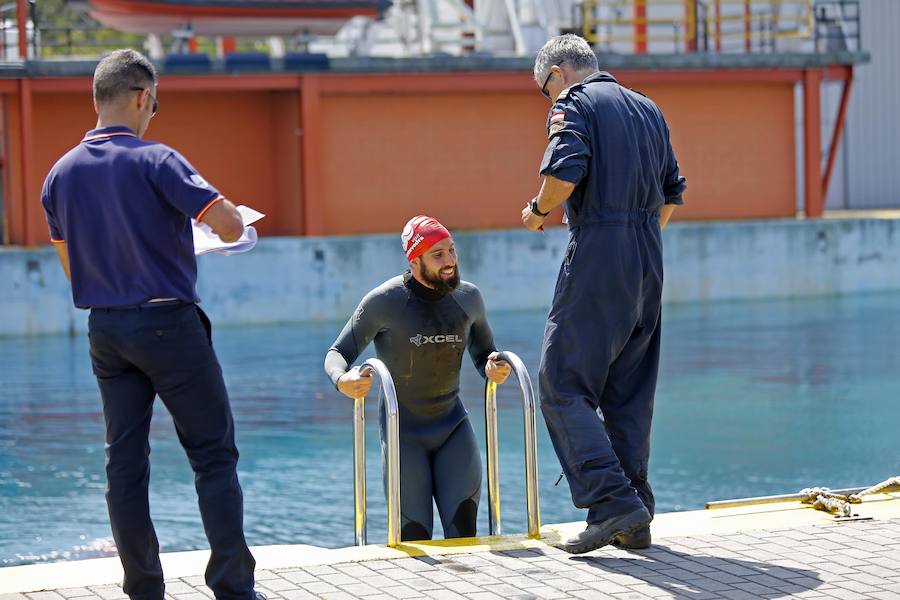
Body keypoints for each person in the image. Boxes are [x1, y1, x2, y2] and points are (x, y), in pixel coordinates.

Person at [40, 49, 262, 600]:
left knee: (125, 462)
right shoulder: (158, 160)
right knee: (212, 456)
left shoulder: (58, 176)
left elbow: (74, 269)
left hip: (106, 331)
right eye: (154, 105)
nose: (152, 115)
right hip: (169, 324)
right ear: (142, 96)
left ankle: (143, 588)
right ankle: (232, 587)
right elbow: (231, 226)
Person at [521, 34, 686, 554]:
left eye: (545, 90)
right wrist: (640, 237)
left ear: (558, 74)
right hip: (648, 256)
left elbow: (564, 172)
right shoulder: (648, 108)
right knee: (628, 391)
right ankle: (634, 514)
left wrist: (538, 210)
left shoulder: (574, 105)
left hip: (600, 250)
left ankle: (611, 501)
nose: (549, 100)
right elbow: (673, 192)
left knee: (561, 383)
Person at [324, 215, 511, 541]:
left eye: (452, 250)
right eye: (438, 255)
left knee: (465, 536)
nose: (450, 261)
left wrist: (494, 367)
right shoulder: (385, 301)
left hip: (453, 427)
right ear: (414, 261)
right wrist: (343, 380)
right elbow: (337, 353)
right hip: (403, 435)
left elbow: (485, 353)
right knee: (413, 541)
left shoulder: (469, 298)